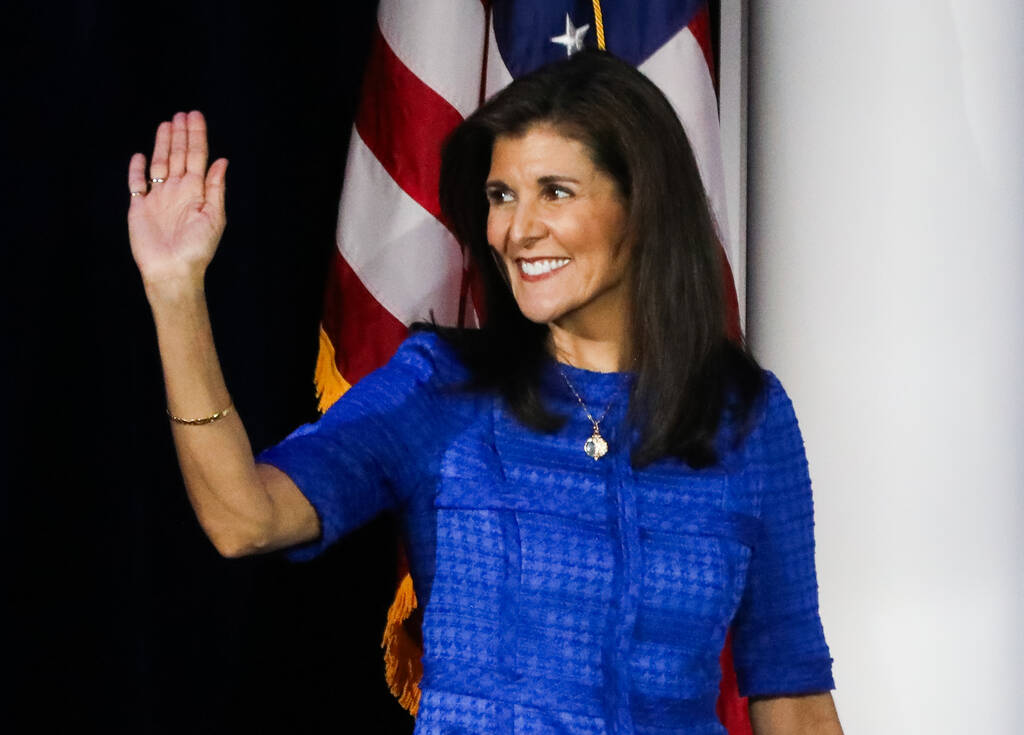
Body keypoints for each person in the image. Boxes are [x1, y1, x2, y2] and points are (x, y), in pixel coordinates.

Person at [127, 51, 842, 734]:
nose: (517, 229)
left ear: (642, 204)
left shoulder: (748, 415)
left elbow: (794, 694)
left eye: (554, 192)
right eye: (502, 195)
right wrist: (175, 292)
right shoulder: (443, 386)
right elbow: (244, 516)